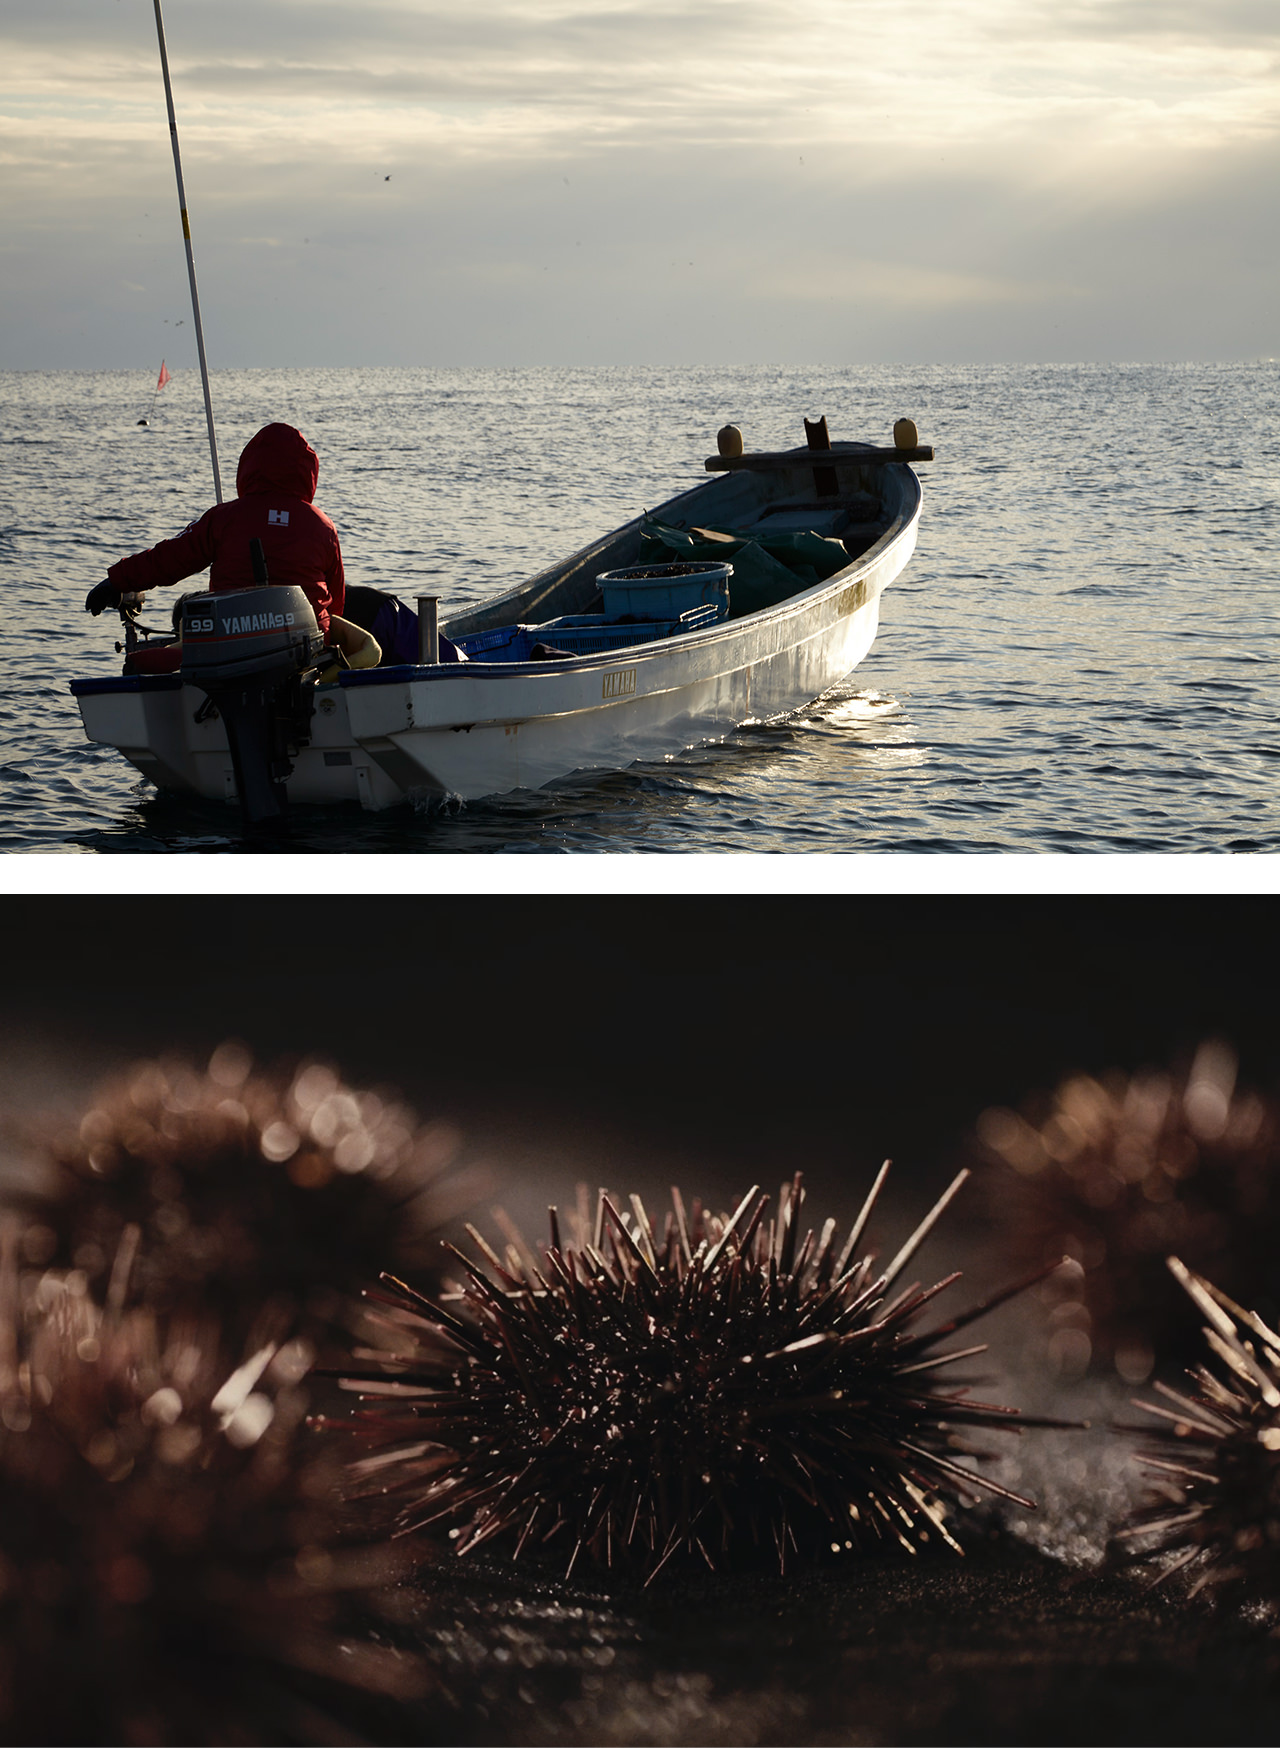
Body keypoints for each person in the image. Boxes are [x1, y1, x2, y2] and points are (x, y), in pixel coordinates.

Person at [85, 422, 344, 635]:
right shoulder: (323, 526)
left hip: (233, 644)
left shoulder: (225, 518)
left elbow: (170, 558)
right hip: (309, 646)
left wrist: (117, 580)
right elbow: (336, 600)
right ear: (308, 471)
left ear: (249, 465)